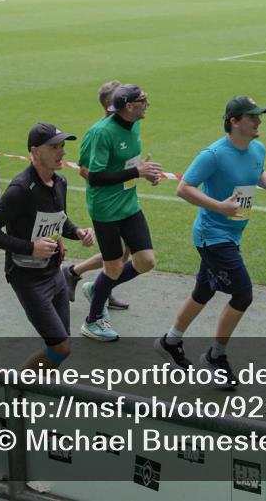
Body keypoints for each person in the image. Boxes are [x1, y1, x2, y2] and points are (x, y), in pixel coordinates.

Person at [155, 96, 266, 389]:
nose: (259, 121)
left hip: (233, 233)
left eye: (259, 116)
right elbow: (183, 188)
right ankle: (217, 355)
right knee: (243, 294)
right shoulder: (212, 155)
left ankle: (170, 341)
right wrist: (219, 207)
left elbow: (257, 170)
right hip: (212, 237)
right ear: (235, 121)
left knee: (204, 290)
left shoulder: (257, 148)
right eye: (252, 117)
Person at [0, 123, 93, 369]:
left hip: (54, 273)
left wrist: (77, 232)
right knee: (60, 346)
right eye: (54, 147)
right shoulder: (20, 189)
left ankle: (31, 389)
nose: (61, 152)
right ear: (35, 152)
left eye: (62, 146)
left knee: (62, 347)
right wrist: (30, 247)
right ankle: (14, 393)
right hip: (27, 278)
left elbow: (59, 219)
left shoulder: (60, 181)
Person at [78, 84, 163, 342]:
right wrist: (137, 172)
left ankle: (99, 288)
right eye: (142, 101)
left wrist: (146, 173)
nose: (147, 104)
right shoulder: (102, 133)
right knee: (113, 266)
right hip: (106, 211)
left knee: (146, 261)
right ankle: (92, 321)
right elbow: (95, 177)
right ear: (129, 106)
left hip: (129, 205)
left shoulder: (134, 124)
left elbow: (127, 163)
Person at [63, 80, 130, 310]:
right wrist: (112, 183)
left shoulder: (124, 127)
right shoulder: (98, 133)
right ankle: (79, 275)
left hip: (125, 197)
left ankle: (90, 281)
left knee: (126, 251)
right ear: (111, 104)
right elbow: (84, 169)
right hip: (107, 203)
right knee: (119, 252)